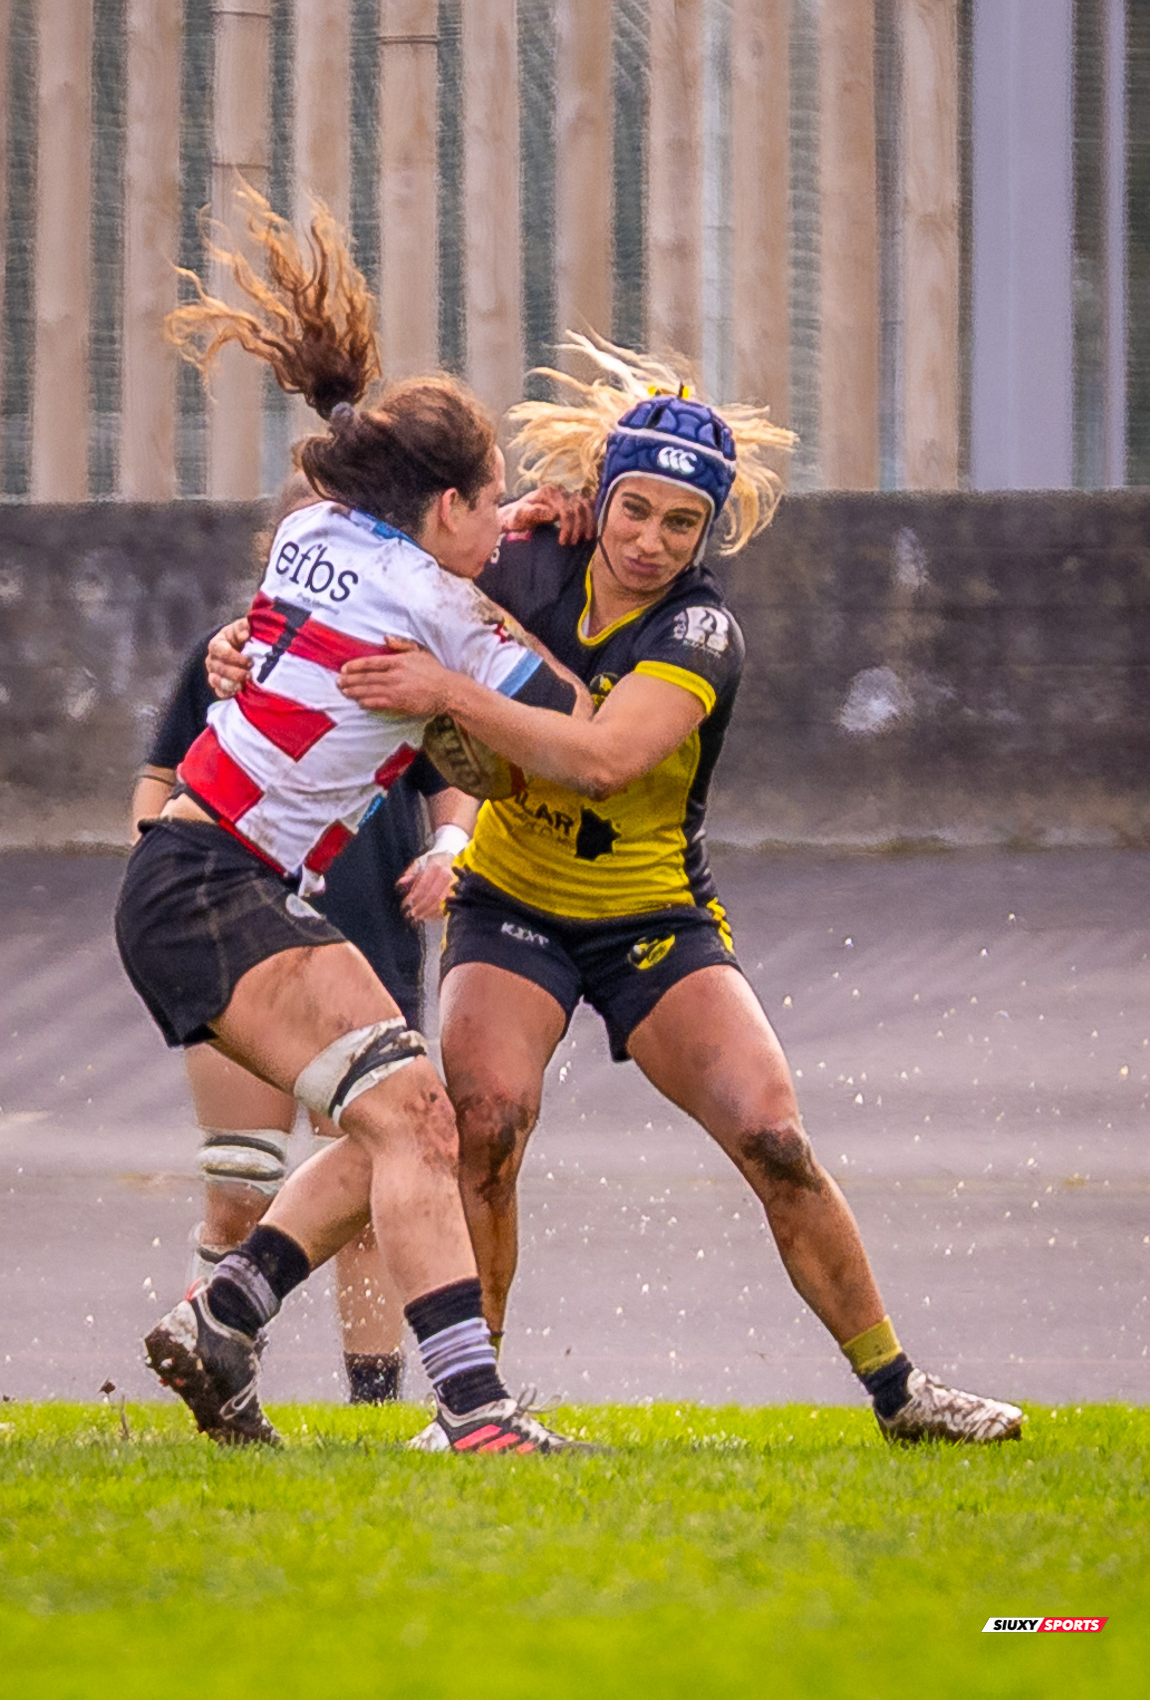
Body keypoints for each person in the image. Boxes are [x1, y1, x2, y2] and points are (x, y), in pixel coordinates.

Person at [313, 338, 1025, 1446]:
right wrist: (239, 650)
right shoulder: (519, 558)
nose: (650, 542)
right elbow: (375, 578)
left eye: (679, 524)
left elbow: (598, 760)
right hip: (509, 904)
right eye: (633, 511)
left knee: (775, 1138)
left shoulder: (700, 631)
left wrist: (451, 687)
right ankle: (474, 1411)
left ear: (709, 534)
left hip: (652, 918)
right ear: (596, 499)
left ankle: (900, 1394)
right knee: (487, 1128)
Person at [124, 186, 594, 1453]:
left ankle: (226, 1317)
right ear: (439, 506)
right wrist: (558, 575)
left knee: (398, 1110)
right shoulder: (436, 612)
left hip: (199, 876)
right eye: (492, 502)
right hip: (216, 885)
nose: (502, 525)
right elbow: (579, 729)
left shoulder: (317, 526)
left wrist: (507, 546)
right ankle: (478, 1414)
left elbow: (367, 579)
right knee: (418, 1119)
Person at [133, 615, 477, 1404]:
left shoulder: (397, 655)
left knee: (369, 1180)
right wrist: (165, 869)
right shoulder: (232, 651)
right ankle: (210, 1386)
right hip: (235, 936)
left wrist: (448, 847)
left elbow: (451, 778)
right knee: (239, 1187)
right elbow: (159, 781)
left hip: (365, 936)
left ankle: (374, 1404)